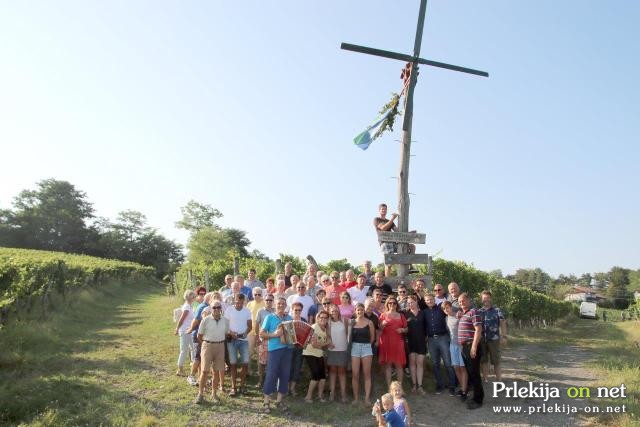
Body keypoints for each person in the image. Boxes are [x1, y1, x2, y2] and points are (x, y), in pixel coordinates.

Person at [260, 297, 293, 413]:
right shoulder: (269, 317)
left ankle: (279, 400)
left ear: (285, 305)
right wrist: (275, 334)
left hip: (288, 349)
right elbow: (262, 333)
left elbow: (293, 334)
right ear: (275, 304)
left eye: (283, 304)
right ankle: (266, 400)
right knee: (271, 374)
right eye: (279, 303)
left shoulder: (289, 318)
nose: (281, 305)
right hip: (274, 349)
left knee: (285, 374)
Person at [194, 301, 228, 404]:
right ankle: (200, 394)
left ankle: (214, 394)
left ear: (221, 308)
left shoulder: (225, 320)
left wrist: (218, 342)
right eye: (214, 307)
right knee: (204, 371)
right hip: (207, 345)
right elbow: (199, 336)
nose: (216, 309)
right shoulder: (206, 320)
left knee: (216, 371)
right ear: (211, 308)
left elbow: (226, 334)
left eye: (218, 307)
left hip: (220, 346)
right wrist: (206, 344)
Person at [423, 293, 456, 395]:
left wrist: (457, 314)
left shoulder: (441, 309)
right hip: (431, 340)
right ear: (425, 302)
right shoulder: (424, 312)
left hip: (443, 338)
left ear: (434, 299)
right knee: (435, 364)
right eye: (427, 300)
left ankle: (453, 385)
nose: (429, 301)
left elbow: (449, 312)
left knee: (448, 363)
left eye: (431, 299)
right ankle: (440, 385)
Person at [458, 292, 484, 409]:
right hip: (465, 347)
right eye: (459, 302)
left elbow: (478, 329)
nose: (461, 303)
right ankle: (474, 396)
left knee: (474, 373)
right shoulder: (464, 314)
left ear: (468, 300)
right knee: (471, 372)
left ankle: (478, 400)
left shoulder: (474, 312)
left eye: (463, 301)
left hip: (471, 346)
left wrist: (474, 346)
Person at [224, 293, 252, 395]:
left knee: (245, 363)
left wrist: (245, 333)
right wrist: (231, 333)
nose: (239, 304)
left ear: (244, 301)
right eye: (237, 302)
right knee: (233, 363)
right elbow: (225, 325)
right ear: (233, 300)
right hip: (232, 339)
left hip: (243, 340)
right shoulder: (229, 310)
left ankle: (242, 386)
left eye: (241, 302)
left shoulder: (247, 311)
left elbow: (250, 326)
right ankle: (233, 387)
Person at [185, 292, 214, 386]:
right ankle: (191, 376)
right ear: (209, 299)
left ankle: (201, 377)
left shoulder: (204, 306)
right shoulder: (203, 307)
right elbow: (196, 320)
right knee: (198, 357)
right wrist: (190, 329)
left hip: (204, 336)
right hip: (199, 336)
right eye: (214, 298)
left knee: (202, 358)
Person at [303, 309, 332, 402]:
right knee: (315, 375)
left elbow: (328, 340)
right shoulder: (314, 327)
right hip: (310, 353)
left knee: (323, 376)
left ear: (328, 319)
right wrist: (326, 344)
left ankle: (320, 396)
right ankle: (308, 397)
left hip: (319, 354)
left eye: (325, 317)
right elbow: (314, 344)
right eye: (321, 317)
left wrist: (327, 343)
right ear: (317, 318)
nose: (323, 319)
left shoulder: (326, 328)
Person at [378, 296, 408, 387]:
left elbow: (406, 328)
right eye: (390, 303)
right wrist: (382, 325)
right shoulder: (383, 315)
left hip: (398, 342)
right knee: (388, 366)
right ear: (387, 304)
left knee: (399, 366)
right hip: (386, 342)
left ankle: (400, 387)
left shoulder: (401, 315)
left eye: (394, 303)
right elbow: (380, 329)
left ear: (396, 305)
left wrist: (402, 330)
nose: (392, 305)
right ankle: (389, 388)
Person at [350, 303, 376, 405]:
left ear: (364, 310)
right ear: (355, 311)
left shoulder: (369, 322)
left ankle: (367, 398)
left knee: (367, 374)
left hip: (366, 347)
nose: (360, 311)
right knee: (355, 374)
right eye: (358, 310)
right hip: (355, 347)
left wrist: (367, 346)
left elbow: (373, 337)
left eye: (361, 310)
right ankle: (356, 398)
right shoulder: (352, 323)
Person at [479, 290, 507, 382]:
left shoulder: (497, 310)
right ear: (481, 299)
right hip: (482, 339)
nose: (485, 300)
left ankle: (499, 380)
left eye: (487, 298)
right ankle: (485, 379)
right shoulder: (479, 311)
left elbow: (502, 323)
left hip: (494, 340)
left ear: (490, 299)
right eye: (484, 298)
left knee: (496, 361)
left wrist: (504, 336)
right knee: (483, 360)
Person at [442, 300, 467, 401]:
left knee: (462, 368)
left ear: (451, 307)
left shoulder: (458, 315)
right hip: (453, 345)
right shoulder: (446, 318)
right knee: (456, 367)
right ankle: (462, 388)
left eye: (447, 307)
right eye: (444, 309)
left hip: (461, 345)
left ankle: (464, 391)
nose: (446, 310)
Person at [403, 295, 426, 394]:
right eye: (408, 303)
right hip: (410, 342)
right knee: (412, 364)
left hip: (421, 341)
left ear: (416, 302)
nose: (410, 304)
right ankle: (414, 385)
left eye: (412, 302)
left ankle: (420, 386)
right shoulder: (405, 314)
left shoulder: (423, 313)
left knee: (419, 363)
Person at [327, 304, 349, 403]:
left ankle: (343, 394)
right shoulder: (328, 322)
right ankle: (332, 393)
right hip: (332, 350)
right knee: (332, 371)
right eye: (332, 311)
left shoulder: (344, 320)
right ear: (329, 312)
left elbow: (349, 334)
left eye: (336, 310)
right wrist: (329, 342)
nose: (334, 312)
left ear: (339, 311)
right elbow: (326, 335)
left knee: (342, 372)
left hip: (342, 349)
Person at [254, 294, 275, 389]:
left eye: (270, 300)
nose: (269, 302)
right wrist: (257, 337)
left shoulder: (276, 311)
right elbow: (257, 324)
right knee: (261, 362)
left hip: (275, 339)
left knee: (272, 362)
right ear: (264, 300)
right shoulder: (261, 311)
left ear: (273, 301)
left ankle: (270, 382)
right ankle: (260, 381)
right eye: (267, 300)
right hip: (263, 339)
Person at [175, 290, 196, 376]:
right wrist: (177, 328)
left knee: (193, 348)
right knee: (184, 350)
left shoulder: (189, 306)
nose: (194, 298)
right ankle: (180, 369)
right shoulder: (187, 307)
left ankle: (193, 365)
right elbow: (182, 319)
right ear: (190, 298)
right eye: (193, 297)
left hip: (189, 330)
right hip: (185, 331)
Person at [246, 287, 266, 373]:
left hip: (261, 332)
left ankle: (259, 372)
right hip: (250, 332)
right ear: (252, 295)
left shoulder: (265, 303)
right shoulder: (249, 304)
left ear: (262, 295)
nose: (257, 296)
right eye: (255, 294)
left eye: (259, 294)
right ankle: (248, 371)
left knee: (259, 353)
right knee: (249, 352)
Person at [288, 302, 305, 397]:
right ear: (292, 310)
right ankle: (286, 387)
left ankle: (292, 388)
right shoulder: (288, 319)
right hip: (289, 346)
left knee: (297, 367)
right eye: (296, 310)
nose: (298, 311)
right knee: (288, 366)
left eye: (299, 310)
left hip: (300, 347)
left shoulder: (304, 320)